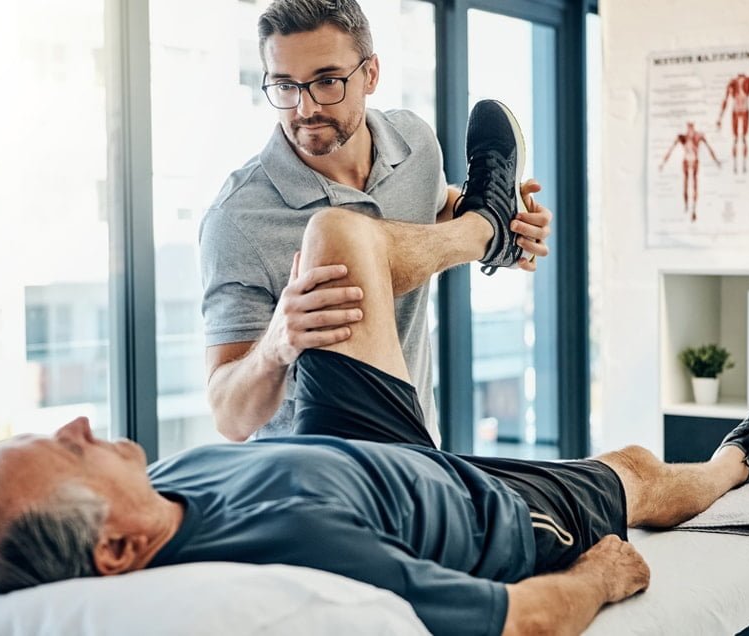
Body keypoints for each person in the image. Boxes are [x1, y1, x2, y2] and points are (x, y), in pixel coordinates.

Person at [0, 192, 749, 635]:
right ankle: (744, 453)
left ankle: (485, 228)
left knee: (335, 235)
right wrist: (602, 579)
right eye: (64, 453)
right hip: (485, 513)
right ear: (115, 551)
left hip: (355, 445)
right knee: (638, 468)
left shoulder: (157, 492)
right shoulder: (303, 560)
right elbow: (518, 619)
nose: (76, 425)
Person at [200, 0, 553, 447]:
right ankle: (486, 231)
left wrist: (508, 221)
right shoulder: (237, 219)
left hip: (419, 450)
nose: (305, 108)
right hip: (316, 477)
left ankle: (489, 227)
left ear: (371, 74)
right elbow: (229, 419)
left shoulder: (415, 142)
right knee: (340, 235)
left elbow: (433, 208)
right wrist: (276, 344)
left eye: (327, 81)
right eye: (285, 85)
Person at [659, 122, 721, 221]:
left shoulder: (698, 136)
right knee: (686, 183)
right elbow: (671, 150)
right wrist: (663, 163)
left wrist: (716, 161)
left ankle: (694, 209)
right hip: (686, 161)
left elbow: (709, 148)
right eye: (689, 128)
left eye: (691, 128)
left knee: (694, 184)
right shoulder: (682, 137)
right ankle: (686, 206)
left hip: (694, 161)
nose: (690, 130)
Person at [716, 72, 749, 174]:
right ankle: (735, 166)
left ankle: (743, 166)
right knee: (736, 139)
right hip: (736, 110)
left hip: (744, 110)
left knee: (743, 139)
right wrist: (720, 118)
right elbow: (725, 100)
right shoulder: (732, 83)